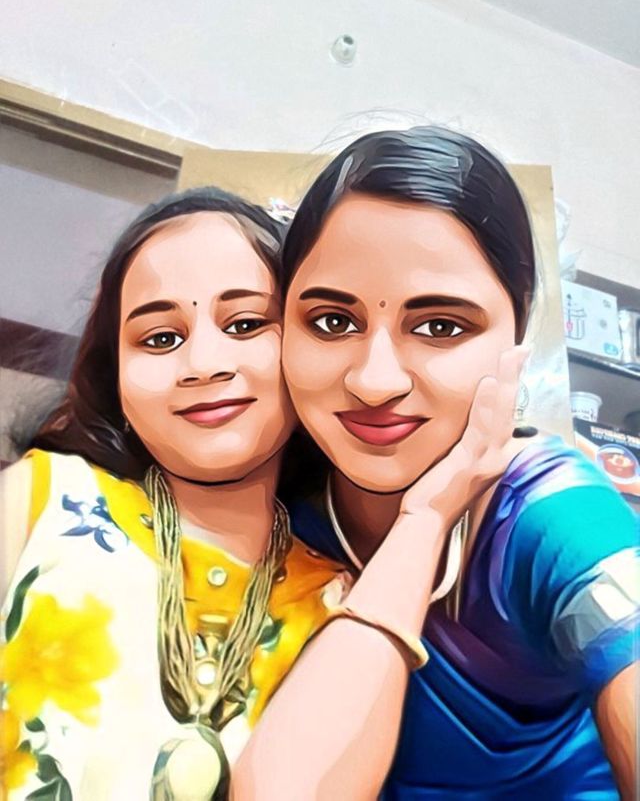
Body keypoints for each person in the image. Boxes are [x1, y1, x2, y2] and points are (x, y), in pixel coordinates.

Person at [233, 127, 639, 799]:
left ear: (517, 338)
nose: (374, 381)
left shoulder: (554, 515)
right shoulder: (278, 510)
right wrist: (424, 520)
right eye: (332, 321)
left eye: (441, 326)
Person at [0, 187, 350, 800]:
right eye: (161, 338)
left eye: (245, 324)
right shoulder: (39, 500)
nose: (204, 364)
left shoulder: (341, 604)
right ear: (115, 376)